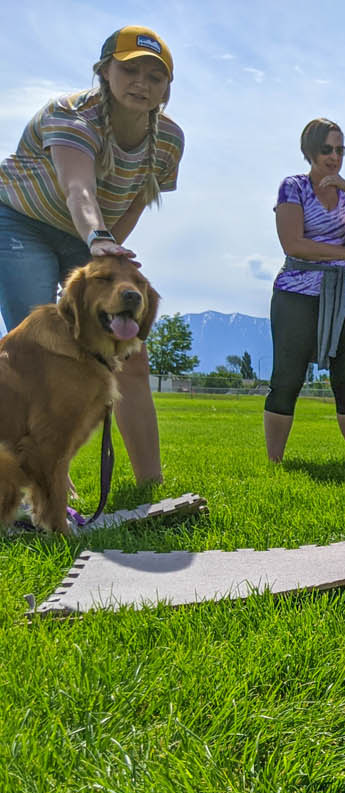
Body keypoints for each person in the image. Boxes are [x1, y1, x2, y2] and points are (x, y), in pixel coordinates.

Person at [0, 26, 183, 485]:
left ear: (167, 87)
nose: (142, 83)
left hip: (90, 239)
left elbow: (138, 197)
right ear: (105, 71)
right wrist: (97, 238)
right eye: (130, 70)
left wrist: (106, 259)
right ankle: (45, 486)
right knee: (44, 353)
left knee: (130, 353)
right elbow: (78, 189)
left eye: (155, 76)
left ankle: (150, 487)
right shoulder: (70, 115)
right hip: (21, 223)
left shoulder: (168, 142)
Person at [265, 118, 345, 464]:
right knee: (287, 375)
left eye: (340, 150)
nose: (334, 156)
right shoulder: (292, 187)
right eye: (327, 149)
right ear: (310, 150)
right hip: (297, 292)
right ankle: (275, 462)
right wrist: (344, 254)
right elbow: (293, 244)